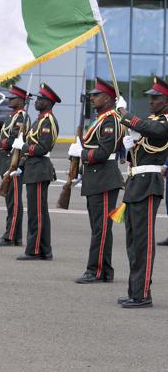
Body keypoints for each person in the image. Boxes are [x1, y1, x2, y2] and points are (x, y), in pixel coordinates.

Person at [116, 77, 168, 308]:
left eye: (155, 98)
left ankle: (143, 294)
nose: (151, 102)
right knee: (133, 242)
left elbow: (150, 130)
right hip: (136, 183)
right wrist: (131, 148)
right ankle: (134, 290)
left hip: (149, 184)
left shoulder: (164, 121)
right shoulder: (153, 119)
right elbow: (143, 141)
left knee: (143, 243)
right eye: (150, 97)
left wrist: (124, 114)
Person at [70, 78, 125, 283]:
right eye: (92, 95)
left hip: (103, 178)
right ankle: (105, 269)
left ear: (108, 98)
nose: (92, 98)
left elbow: (103, 152)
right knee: (99, 228)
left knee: (101, 229)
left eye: (96, 95)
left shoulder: (111, 120)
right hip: (96, 178)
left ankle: (96, 270)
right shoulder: (101, 118)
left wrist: (83, 154)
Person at [16, 83, 60, 261]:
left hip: (40, 169)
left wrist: (24, 147)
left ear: (48, 102)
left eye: (41, 99)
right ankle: (44, 250)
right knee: (36, 211)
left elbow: (43, 147)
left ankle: (34, 250)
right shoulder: (40, 120)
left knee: (37, 213)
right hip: (33, 169)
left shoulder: (48, 121)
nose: (37, 101)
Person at [0, 85, 30, 247]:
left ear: (21, 101)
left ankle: (11, 235)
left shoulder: (21, 117)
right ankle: (14, 234)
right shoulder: (13, 116)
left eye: (13, 98)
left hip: (13, 162)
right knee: (10, 201)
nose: (10, 100)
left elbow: (13, 140)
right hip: (6, 161)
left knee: (14, 202)